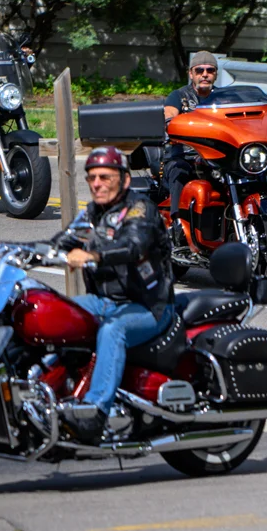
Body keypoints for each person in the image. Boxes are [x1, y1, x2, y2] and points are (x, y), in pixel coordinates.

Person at [55, 147, 175, 445]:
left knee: (114, 329)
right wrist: (3, 250)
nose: (97, 184)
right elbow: (59, 243)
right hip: (104, 302)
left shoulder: (140, 210)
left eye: (105, 177)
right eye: (92, 177)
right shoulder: (92, 214)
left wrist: (93, 255)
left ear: (124, 179)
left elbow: (133, 245)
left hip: (149, 307)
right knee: (58, 313)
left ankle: (95, 412)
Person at [157, 51, 225, 211]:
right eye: (199, 70)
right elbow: (169, 114)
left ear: (216, 74)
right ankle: (178, 219)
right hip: (184, 156)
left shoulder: (223, 99)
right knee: (179, 171)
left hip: (216, 157)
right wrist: (171, 123)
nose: (205, 74)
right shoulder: (179, 96)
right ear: (191, 74)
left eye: (210, 70)